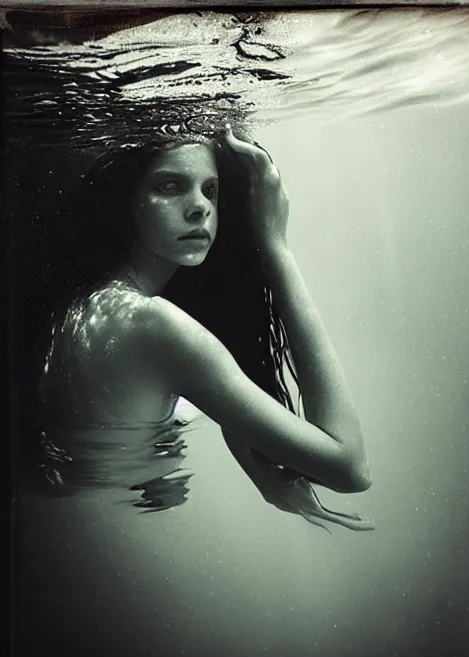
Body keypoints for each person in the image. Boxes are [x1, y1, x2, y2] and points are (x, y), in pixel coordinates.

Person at [18, 124, 373, 530]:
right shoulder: (153, 325)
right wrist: (276, 248)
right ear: (125, 200)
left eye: (211, 190)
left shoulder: (92, 295)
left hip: (84, 498)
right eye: (170, 186)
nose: (199, 207)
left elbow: (206, 384)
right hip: (99, 521)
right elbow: (350, 468)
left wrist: (254, 464)